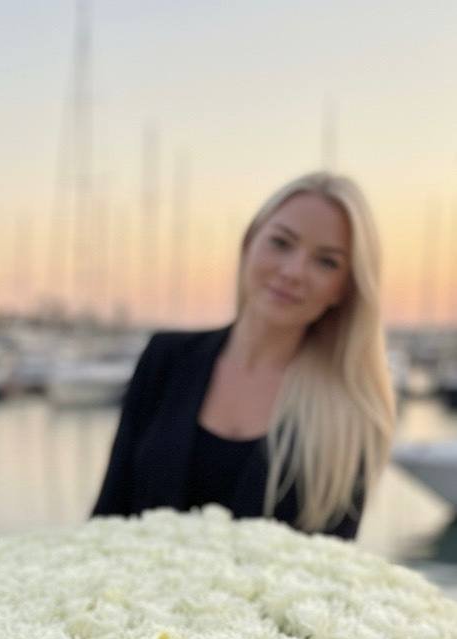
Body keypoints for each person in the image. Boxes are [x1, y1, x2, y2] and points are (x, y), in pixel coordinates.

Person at [91, 171, 396, 539]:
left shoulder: (352, 411)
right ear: (250, 241)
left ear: (343, 289)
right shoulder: (166, 359)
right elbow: (106, 519)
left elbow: (333, 562)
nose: (293, 271)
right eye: (281, 243)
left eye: (326, 262)